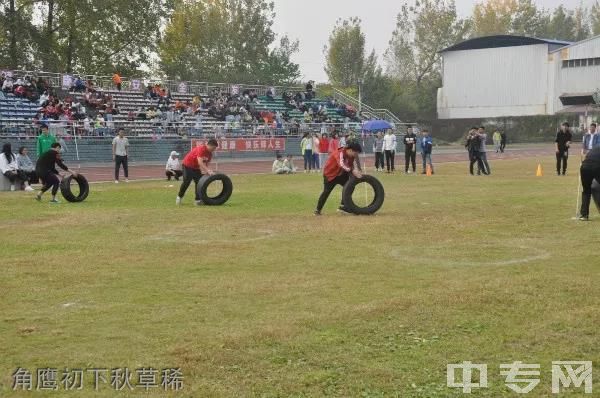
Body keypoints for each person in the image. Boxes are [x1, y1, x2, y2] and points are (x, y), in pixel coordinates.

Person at [314, 141, 363, 215]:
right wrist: (353, 170)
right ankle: (317, 210)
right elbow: (341, 164)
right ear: (350, 150)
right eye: (355, 153)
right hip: (330, 175)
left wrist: (358, 170)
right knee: (326, 192)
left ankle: (343, 207)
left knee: (350, 186)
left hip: (341, 174)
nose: (356, 155)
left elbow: (350, 164)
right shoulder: (339, 152)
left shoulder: (351, 155)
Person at [176, 139, 218, 205]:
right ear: (209, 145)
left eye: (215, 148)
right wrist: (207, 170)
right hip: (187, 165)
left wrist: (207, 171)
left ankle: (197, 200)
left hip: (195, 167)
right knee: (187, 181)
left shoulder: (210, 154)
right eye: (213, 148)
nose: (214, 150)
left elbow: (206, 163)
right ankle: (179, 197)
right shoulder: (201, 149)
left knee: (199, 182)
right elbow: (200, 162)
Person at [578, 146, 600, 221]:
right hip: (597, 166)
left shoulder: (594, 148)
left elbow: (586, 157)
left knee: (586, 191)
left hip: (584, 167)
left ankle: (584, 215)